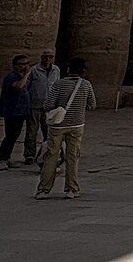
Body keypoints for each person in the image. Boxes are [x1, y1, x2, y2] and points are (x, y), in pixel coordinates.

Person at [36, 57, 96, 199]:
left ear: (68, 70)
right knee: (73, 156)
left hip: (58, 125)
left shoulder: (58, 84)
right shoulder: (86, 85)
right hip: (76, 124)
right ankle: (72, 189)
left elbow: (48, 104)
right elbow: (92, 105)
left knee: (51, 155)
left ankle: (44, 189)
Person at [0, 54, 37, 169]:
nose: (26, 66)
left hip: (21, 111)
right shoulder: (11, 76)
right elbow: (19, 86)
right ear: (15, 65)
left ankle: (7, 158)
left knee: (14, 136)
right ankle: (1, 160)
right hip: (12, 111)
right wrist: (26, 74)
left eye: (27, 64)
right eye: (23, 64)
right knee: (10, 136)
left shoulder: (20, 76)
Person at [26, 49, 61, 161]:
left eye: (50, 57)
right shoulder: (34, 70)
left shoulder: (56, 70)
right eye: (45, 57)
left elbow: (57, 86)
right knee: (32, 131)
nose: (47, 59)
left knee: (48, 131)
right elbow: (27, 86)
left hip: (50, 105)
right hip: (35, 104)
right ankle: (29, 154)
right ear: (41, 58)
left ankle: (47, 152)